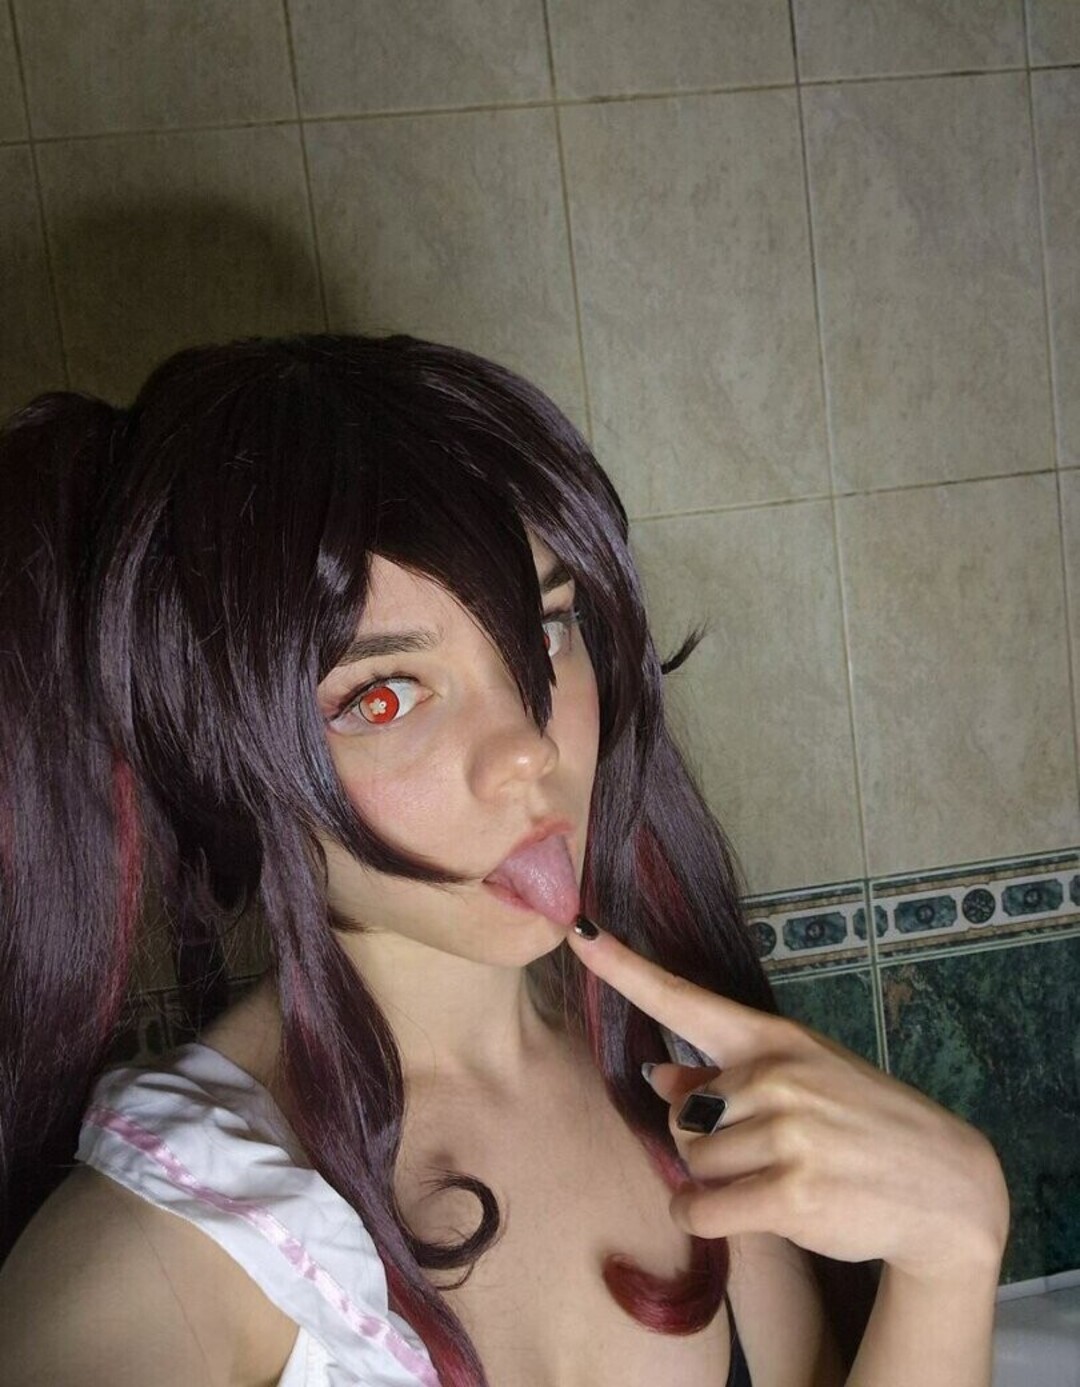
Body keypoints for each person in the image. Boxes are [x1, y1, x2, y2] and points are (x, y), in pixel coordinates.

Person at [0, 333, 1008, 1387]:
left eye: (545, 627)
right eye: (383, 696)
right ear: (222, 759)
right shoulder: (159, 1258)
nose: (528, 745)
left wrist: (951, 1250)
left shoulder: (680, 1080)